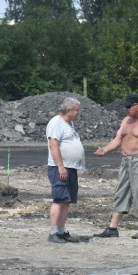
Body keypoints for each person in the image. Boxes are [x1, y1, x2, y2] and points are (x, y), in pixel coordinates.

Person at [93, 94, 138, 239]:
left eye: (129, 107)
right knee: (121, 192)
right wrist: (105, 150)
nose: (125, 109)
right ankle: (112, 228)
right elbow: (118, 139)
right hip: (126, 161)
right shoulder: (126, 120)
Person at [46, 97, 85, 243]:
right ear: (68, 110)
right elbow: (53, 145)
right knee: (59, 198)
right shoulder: (56, 123)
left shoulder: (69, 124)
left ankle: (62, 231)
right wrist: (61, 167)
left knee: (67, 200)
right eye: (77, 110)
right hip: (60, 168)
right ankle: (54, 232)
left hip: (71, 167)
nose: (78, 113)